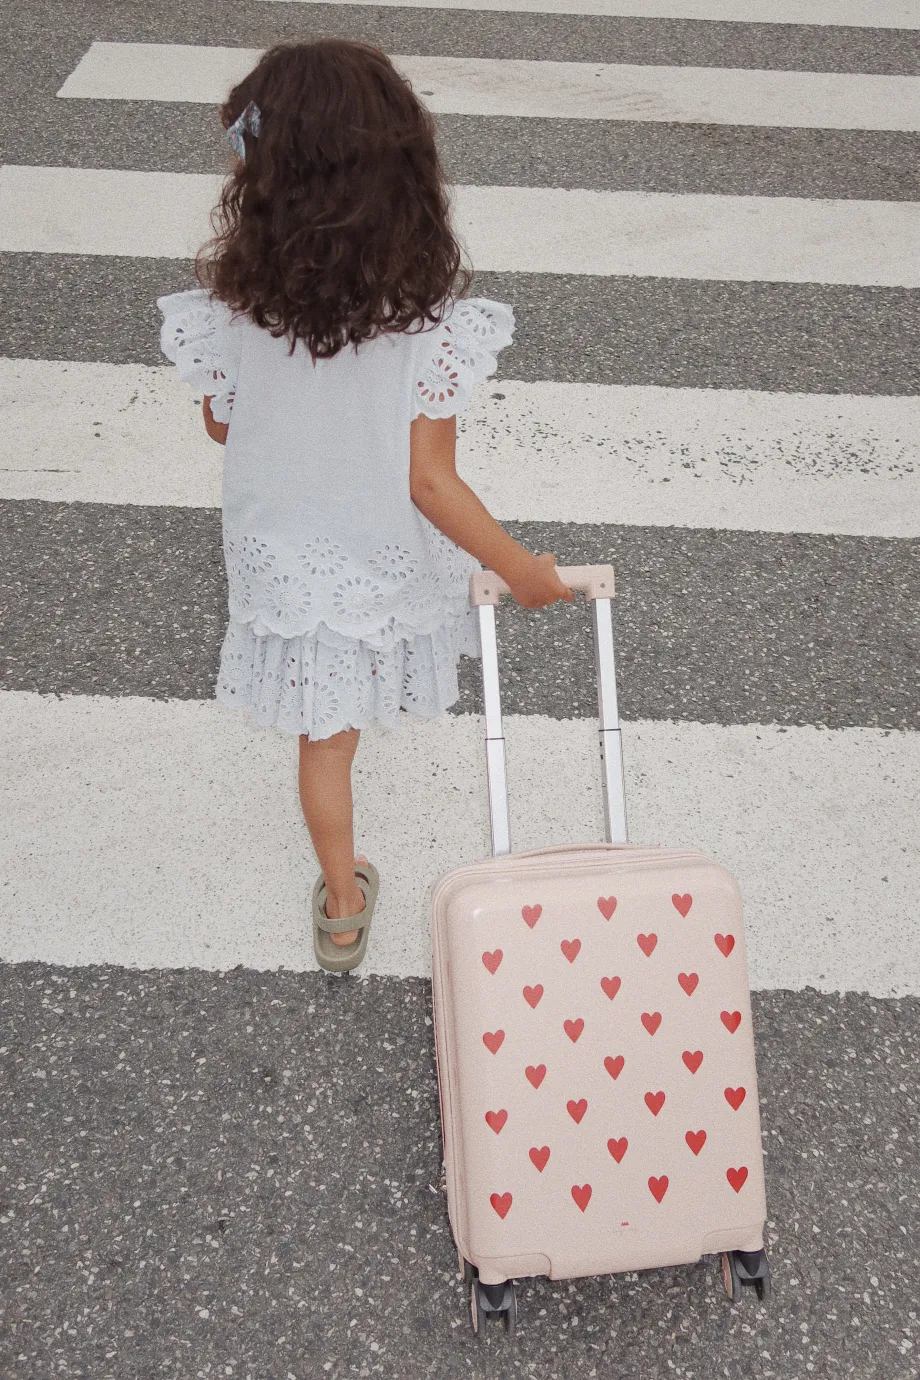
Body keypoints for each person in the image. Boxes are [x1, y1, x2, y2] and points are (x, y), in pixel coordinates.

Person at [157, 39, 573, 974]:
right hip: (376, 548)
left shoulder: (233, 308)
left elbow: (223, 427)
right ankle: (346, 901)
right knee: (342, 721)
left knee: (323, 743)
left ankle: (343, 905)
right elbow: (428, 481)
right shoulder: (423, 320)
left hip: (282, 554)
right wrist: (520, 569)